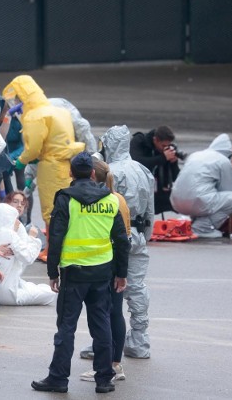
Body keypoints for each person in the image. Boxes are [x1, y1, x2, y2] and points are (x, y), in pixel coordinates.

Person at [32, 152, 129, 394]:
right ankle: (105, 379)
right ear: (94, 173)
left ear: (71, 173)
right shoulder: (111, 200)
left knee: (66, 327)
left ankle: (58, 378)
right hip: (102, 273)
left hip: (73, 274)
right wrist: (121, 273)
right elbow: (121, 240)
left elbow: (55, 237)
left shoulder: (66, 198)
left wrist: (52, 271)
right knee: (101, 326)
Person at [2, 75, 85, 228]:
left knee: (52, 210)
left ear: (23, 97)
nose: (15, 103)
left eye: (17, 99)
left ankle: (52, 248)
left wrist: (21, 161)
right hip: (65, 167)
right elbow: (51, 145)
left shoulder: (35, 116)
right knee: (66, 208)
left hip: (51, 170)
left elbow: (34, 149)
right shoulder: (59, 111)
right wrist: (31, 172)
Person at [100, 126, 155, 359]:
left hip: (114, 236)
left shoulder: (109, 171)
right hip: (139, 233)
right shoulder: (142, 170)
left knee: (107, 290)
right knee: (136, 288)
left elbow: (103, 208)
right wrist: (146, 234)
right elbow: (151, 208)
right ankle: (139, 340)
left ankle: (104, 341)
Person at [79, 157, 131, 382]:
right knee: (114, 313)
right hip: (115, 262)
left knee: (102, 316)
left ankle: (107, 366)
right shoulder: (118, 198)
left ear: (91, 175)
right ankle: (114, 364)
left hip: (102, 263)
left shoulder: (100, 200)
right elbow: (125, 237)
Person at [170, 134, 232, 238]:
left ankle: (195, 225)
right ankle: (202, 228)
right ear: (228, 153)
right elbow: (228, 190)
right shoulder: (223, 160)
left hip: (176, 201)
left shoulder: (195, 154)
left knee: (206, 195)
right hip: (197, 202)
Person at [0, 202, 55, 306]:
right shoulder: (10, 234)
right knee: (50, 293)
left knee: (33, 287)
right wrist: (33, 237)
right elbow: (28, 257)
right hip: (7, 292)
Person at [130, 125, 181, 214]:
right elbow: (136, 163)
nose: (165, 148)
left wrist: (173, 163)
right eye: (163, 145)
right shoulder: (139, 141)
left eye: (168, 145)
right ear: (155, 140)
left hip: (161, 196)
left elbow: (175, 178)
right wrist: (163, 158)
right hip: (140, 194)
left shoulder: (166, 150)